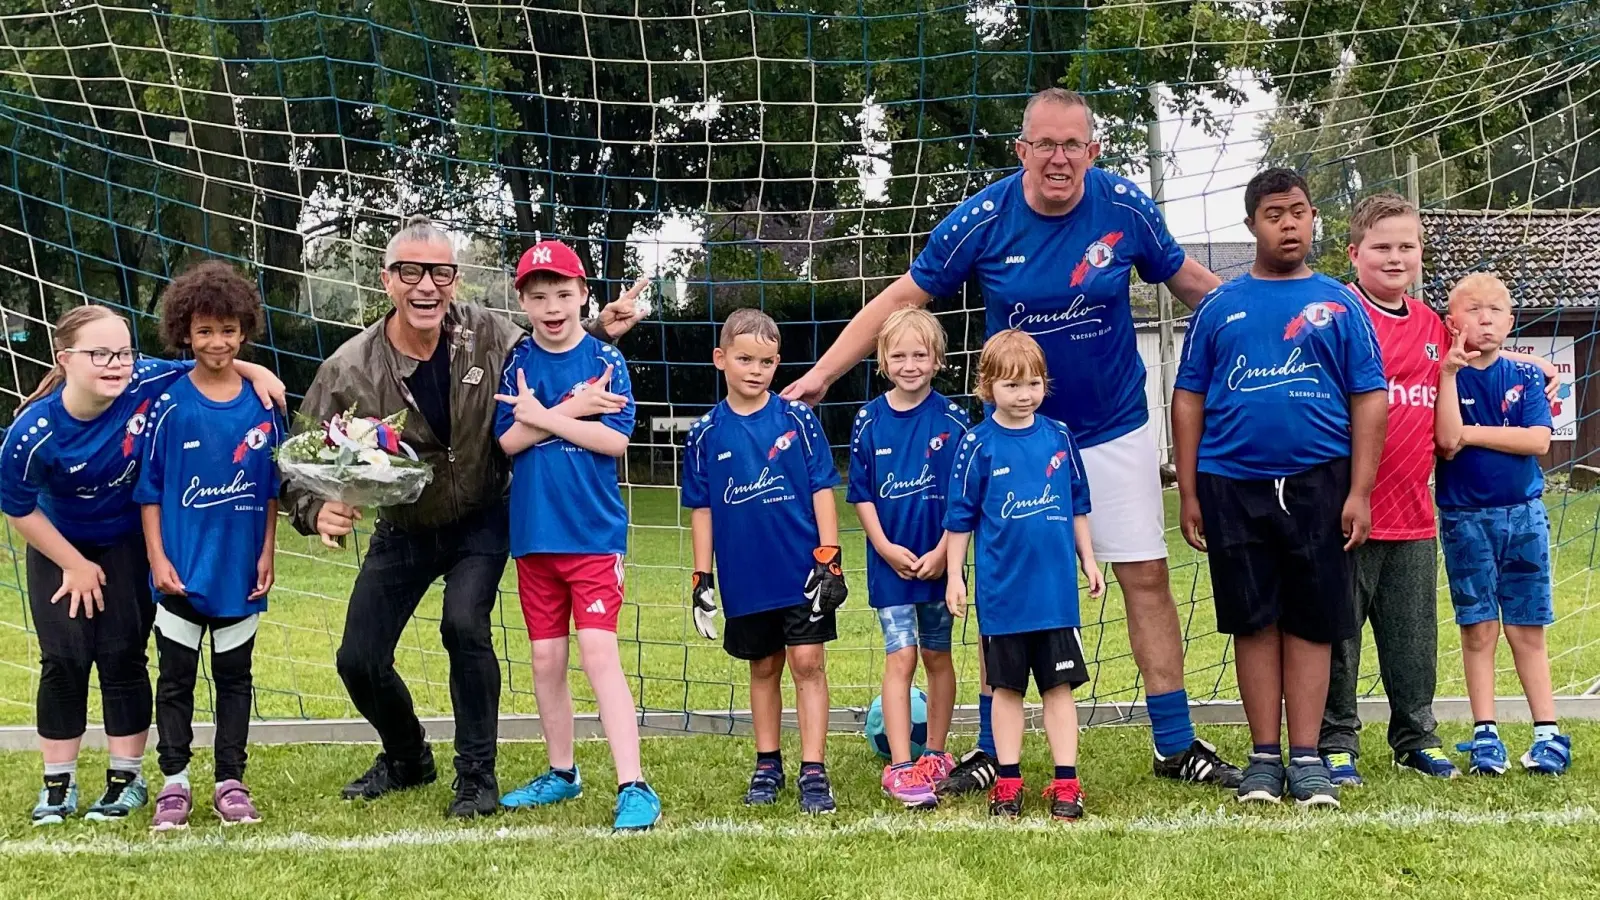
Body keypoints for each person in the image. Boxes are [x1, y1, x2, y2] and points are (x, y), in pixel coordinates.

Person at [782, 87, 1239, 792]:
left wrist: (1278, 313)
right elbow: (899, 301)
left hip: (1113, 428)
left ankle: (1175, 745)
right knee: (999, 589)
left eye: (1072, 144)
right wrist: (819, 375)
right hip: (1012, 440)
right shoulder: (984, 218)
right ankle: (1000, 749)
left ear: (1093, 150)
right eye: (1044, 144)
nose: (1059, 158)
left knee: (1144, 576)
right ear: (1022, 150)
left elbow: (1195, 286)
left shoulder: (1124, 207)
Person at [284, 215, 644, 819]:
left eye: (440, 272)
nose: (426, 285)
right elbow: (298, 461)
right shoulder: (349, 368)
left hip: (482, 517)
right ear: (387, 279)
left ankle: (476, 776)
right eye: (411, 272)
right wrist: (318, 510)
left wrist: (602, 325)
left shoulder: (487, 334)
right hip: (403, 524)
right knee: (358, 658)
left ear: (454, 279)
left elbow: (557, 340)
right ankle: (406, 757)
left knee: (464, 626)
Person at [2, 305, 283, 826]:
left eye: (124, 351)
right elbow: (18, 507)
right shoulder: (32, 430)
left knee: (123, 656)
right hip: (59, 546)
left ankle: (125, 780)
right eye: (99, 354)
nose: (116, 363)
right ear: (64, 359)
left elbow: (208, 360)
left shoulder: (143, 380)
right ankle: (56, 787)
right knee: (63, 660)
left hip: (127, 541)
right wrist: (73, 564)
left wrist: (256, 370)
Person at [1172, 167, 1388, 808]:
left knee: (1313, 623)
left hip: (1321, 483)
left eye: (1297, 210)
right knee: (1254, 621)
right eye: (1274, 214)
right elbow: (1188, 401)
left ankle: (1308, 755)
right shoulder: (1220, 306)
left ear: (1314, 216)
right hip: (1232, 484)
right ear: (1251, 226)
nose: (1288, 223)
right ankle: (1265, 756)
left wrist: (1360, 489)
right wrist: (1188, 492)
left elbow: (1369, 398)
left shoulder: (1340, 304)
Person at [491, 240, 661, 831]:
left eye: (564, 293)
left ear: (584, 294)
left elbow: (615, 441)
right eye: (539, 297)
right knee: (545, 659)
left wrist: (544, 415)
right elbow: (505, 443)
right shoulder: (517, 362)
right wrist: (569, 410)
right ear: (524, 302)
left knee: (598, 653)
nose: (553, 306)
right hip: (535, 537)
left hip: (591, 536)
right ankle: (561, 773)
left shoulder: (605, 359)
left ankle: (633, 782)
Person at [135, 262, 284, 830]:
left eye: (227, 330)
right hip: (180, 568)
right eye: (204, 332)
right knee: (174, 679)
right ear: (184, 334)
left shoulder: (263, 405)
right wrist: (157, 557)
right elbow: (149, 490)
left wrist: (267, 550)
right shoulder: (169, 404)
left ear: (244, 330)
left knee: (235, 679)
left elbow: (270, 486)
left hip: (239, 569)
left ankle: (230, 780)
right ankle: (174, 783)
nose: (217, 342)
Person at [681, 308, 848, 814]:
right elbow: (703, 509)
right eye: (745, 359)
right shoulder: (706, 434)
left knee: (807, 661)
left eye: (767, 361)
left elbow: (822, 489)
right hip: (746, 576)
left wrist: (830, 558)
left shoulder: (797, 419)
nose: (755, 370)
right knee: (764, 665)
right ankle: (767, 763)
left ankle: (814, 771)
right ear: (721, 359)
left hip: (802, 569)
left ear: (778, 364)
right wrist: (701, 576)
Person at [943, 329, 1104, 820]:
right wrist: (955, 577)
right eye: (1012, 385)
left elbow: (1078, 506)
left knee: (1059, 690)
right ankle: (1007, 780)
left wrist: (1089, 558)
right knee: (1006, 691)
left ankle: (1066, 783)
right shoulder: (977, 445)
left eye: (1033, 383)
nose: (1024, 394)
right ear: (987, 385)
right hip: (1003, 600)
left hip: (1055, 598)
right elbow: (959, 519)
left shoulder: (1059, 437)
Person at [1434, 273, 1571, 776]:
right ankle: (1485, 733)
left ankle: (1548, 733)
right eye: (1473, 309)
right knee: (1478, 629)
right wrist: (1449, 380)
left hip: (1525, 516)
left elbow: (1537, 441)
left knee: (1527, 628)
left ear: (1511, 322)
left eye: (1495, 310)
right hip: (1465, 518)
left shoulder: (1527, 376)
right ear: (1453, 322)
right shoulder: (1441, 377)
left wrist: (1471, 432)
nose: (1485, 318)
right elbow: (1446, 441)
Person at [846, 308, 968, 809]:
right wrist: (882, 546)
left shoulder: (955, 419)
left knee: (939, 656)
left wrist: (944, 552)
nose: (910, 363)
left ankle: (935, 753)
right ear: (883, 360)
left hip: (941, 564)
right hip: (891, 565)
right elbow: (862, 494)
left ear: (937, 359)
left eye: (920, 354)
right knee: (902, 656)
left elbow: (966, 497)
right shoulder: (869, 420)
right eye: (899, 354)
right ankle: (900, 765)